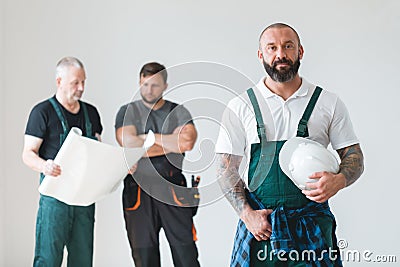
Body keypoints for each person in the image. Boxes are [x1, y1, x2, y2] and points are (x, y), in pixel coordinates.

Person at [215, 23, 364, 266]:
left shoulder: (327, 102)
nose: (280, 54)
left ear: (300, 52)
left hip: (312, 223)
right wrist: (247, 215)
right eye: (272, 48)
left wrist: (339, 180)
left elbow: (354, 155)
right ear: (261, 55)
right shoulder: (241, 106)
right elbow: (225, 169)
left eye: (288, 46)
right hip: (262, 226)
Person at [115, 62, 200, 267]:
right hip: (138, 191)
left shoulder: (177, 111)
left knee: (186, 256)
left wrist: (147, 139)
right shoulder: (128, 112)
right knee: (144, 259)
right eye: (144, 85)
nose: (149, 90)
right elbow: (128, 143)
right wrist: (170, 141)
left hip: (173, 190)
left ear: (165, 86)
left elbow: (186, 142)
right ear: (139, 83)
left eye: (154, 85)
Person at [22, 57, 103, 267]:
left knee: (83, 260)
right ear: (59, 81)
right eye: (75, 82)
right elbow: (28, 154)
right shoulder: (42, 112)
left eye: (83, 82)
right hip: (55, 199)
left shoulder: (91, 113)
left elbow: (99, 150)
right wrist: (44, 166)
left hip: (84, 200)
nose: (81, 88)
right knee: (48, 259)